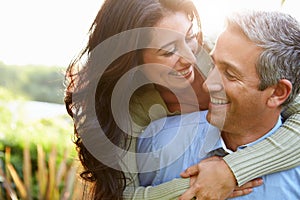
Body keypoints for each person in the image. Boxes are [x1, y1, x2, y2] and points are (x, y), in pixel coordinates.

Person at [63, 0, 300, 198]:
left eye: (190, 36)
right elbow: (120, 195)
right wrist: (200, 186)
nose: (190, 57)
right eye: (168, 51)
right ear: (133, 60)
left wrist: (232, 170)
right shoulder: (127, 111)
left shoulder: (225, 51)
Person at [137, 10, 300, 199]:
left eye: (230, 74)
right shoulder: (158, 141)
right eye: (213, 65)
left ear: (278, 93)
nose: (207, 84)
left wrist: (234, 170)